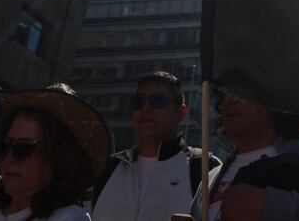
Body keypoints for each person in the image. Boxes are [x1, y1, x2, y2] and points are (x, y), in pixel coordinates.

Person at [190, 94, 299, 220]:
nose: (230, 99)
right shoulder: (210, 177)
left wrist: (270, 205)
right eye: (226, 90)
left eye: (244, 90)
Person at [0, 84, 110, 221]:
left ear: (59, 158)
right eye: (4, 146)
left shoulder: (70, 218)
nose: (9, 158)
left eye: (23, 148)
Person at [92, 71, 218, 221]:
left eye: (157, 101)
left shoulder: (205, 168)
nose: (145, 108)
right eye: (138, 101)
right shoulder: (106, 169)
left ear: (181, 112)